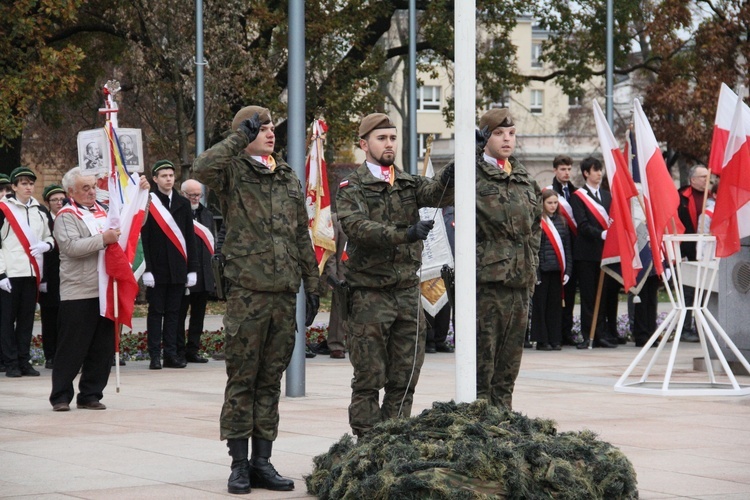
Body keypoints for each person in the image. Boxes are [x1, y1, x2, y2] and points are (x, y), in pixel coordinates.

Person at [192, 105, 320, 494]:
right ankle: (238, 465)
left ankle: (262, 461)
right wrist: (238, 136)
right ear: (245, 134)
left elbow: (301, 233)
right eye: (260, 128)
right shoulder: (232, 171)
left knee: (270, 381)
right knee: (242, 380)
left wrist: (311, 284)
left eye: (269, 127)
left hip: (283, 293)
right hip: (248, 293)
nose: (269, 133)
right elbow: (201, 169)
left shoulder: (286, 175)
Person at [336, 112, 454, 436]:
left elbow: (436, 193)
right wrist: (406, 233)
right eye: (381, 139)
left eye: (392, 138)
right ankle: (367, 445)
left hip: (405, 293)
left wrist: (452, 173)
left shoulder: (407, 182)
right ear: (364, 144)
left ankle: (393, 440)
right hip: (370, 295)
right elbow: (358, 227)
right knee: (369, 377)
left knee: (405, 377)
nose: (389, 144)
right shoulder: (352, 186)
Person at [457, 108, 542, 409]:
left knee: (509, 364)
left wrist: (531, 264)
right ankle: (480, 424)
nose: (507, 139)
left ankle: (504, 420)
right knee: (483, 362)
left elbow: (535, 228)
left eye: (511, 133)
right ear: (485, 138)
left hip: (520, 281)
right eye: (498, 133)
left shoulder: (523, 179)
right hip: (487, 282)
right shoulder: (471, 176)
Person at [49, 167, 149, 411]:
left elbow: (131, 226)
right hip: (80, 290)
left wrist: (142, 197)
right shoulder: (66, 215)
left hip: (107, 288)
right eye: (85, 188)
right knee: (72, 346)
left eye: (93, 186)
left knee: (102, 346)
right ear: (71, 191)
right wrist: (104, 240)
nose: (92, 191)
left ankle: (91, 394)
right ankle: (61, 396)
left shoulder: (103, 211)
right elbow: (71, 246)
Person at [141, 160, 199, 369]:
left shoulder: (183, 204)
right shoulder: (148, 201)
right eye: (163, 176)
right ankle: (155, 355)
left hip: (177, 267)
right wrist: (147, 269)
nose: (168, 179)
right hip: (157, 268)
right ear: (155, 179)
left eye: (171, 176)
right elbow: (143, 238)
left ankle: (171, 354)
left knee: (174, 313)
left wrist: (192, 268)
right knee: (156, 312)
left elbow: (189, 237)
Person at [0, 167, 55, 378]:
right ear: (14, 187)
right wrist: (1, 274)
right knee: (7, 321)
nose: (28, 187)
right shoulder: (3, 209)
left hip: (32, 273)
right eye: (23, 183)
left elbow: (50, 237)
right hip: (10, 274)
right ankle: (10, 362)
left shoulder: (40, 211)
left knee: (27, 320)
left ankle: (24, 361)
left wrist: (45, 246)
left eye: (31, 183)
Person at [570, 157, 620, 349]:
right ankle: (587, 335)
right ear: (586, 173)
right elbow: (582, 225)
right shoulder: (578, 196)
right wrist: (601, 234)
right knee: (589, 296)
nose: (599, 173)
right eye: (595, 170)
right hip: (587, 254)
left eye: (600, 170)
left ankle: (601, 334)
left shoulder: (607, 196)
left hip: (605, 253)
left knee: (605, 295)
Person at [176, 179, 215, 364]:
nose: (195, 198)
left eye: (198, 194)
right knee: (179, 315)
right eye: (191, 195)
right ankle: (178, 350)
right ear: (183, 194)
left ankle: (193, 349)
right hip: (184, 273)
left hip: (204, 273)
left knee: (198, 316)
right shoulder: (176, 214)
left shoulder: (206, 214)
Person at [531, 189, 572, 350]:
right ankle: (542, 340)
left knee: (555, 307)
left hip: (557, 270)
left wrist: (568, 270)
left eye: (555, 202)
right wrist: (536, 272)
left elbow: (567, 247)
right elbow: (535, 249)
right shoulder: (538, 222)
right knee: (541, 306)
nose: (553, 206)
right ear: (542, 203)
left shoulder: (562, 221)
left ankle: (555, 339)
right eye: (549, 203)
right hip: (543, 270)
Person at [547, 155, 579, 345]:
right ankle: (555, 333)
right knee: (555, 297)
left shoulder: (575, 193)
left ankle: (567, 332)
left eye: (568, 169)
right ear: (555, 171)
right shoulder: (549, 193)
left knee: (570, 296)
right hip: (554, 252)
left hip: (572, 251)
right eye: (562, 169)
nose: (566, 173)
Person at [677, 165, 710, 343]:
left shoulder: (711, 197)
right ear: (692, 180)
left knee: (705, 292)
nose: (707, 179)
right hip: (688, 251)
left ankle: (702, 328)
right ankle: (685, 328)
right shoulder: (681, 197)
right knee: (688, 292)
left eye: (708, 176)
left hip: (706, 252)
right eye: (703, 176)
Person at [39, 184, 66, 369]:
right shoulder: (44, 219)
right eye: (54, 200)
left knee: (64, 317)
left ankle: (63, 353)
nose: (58, 202)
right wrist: (42, 279)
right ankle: (50, 354)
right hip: (49, 275)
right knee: (49, 317)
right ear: (48, 203)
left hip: (66, 276)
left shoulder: (69, 217)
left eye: (61, 199)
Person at [321, 212, 348, 359]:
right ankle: (336, 345)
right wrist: (332, 276)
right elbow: (330, 250)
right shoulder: (335, 219)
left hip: (364, 272)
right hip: (342, 273)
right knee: (339, 310)